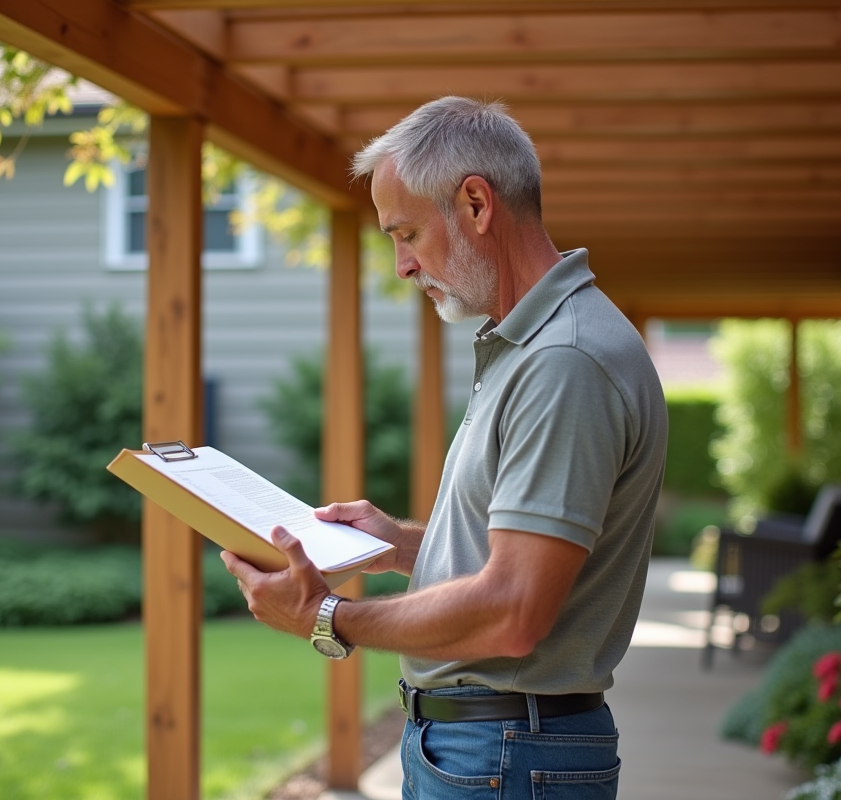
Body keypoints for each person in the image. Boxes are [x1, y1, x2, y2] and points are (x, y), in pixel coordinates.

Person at [223, 96, 667, 800]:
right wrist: (402, 545)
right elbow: (528, 557)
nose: (401, 265)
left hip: (503, 753)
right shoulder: (534, 345)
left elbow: (516, 609)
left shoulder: (564, 360)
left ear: (476, 204)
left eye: (406, 234)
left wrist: (326, 619)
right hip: (489, 748)